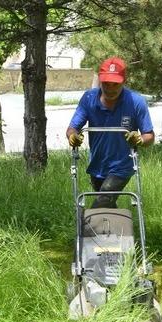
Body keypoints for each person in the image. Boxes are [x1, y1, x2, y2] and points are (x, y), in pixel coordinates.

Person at [66, 56, 155, 209]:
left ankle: (87, 229)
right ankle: (118, 232)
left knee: (101, 202)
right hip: (97, 166)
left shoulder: (136, 102)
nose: (110, 88)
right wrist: (72, 136)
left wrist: (139, 139)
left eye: (115, 84)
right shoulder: (88, 99)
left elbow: (149, 136)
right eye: (106, 83)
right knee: (107, 205)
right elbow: (72, 128)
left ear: (123, 81)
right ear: (100, 80)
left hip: (122, 166)